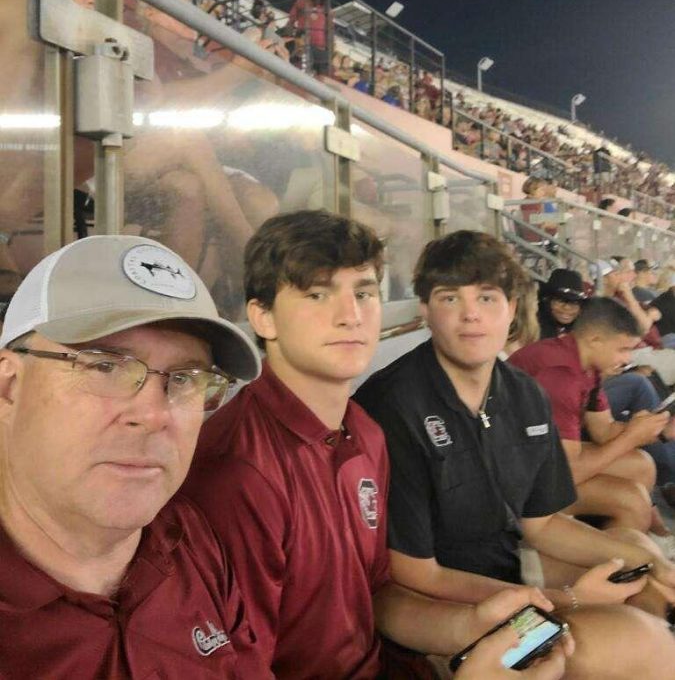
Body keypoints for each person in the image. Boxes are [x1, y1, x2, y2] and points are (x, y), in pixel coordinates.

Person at [183, 211, 571, 679]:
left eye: (364, 293)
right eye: (317, 294)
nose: (351, 316)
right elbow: (240, 666)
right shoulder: (236, 468)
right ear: (263, 316)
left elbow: (376, 593)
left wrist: (473, 623)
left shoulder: (364, 431)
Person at [356, 230, 675, 678]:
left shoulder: (523, 394)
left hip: (508, 564)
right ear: (426, 311)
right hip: (438, 605)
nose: (470, 315)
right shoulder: (391, 407)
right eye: (450, 299)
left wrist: (654, 563)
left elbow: (539, 523)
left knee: (643, 569)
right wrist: (573, 599)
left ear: (511, 308)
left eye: (487, 298)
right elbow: (415, 576)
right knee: (650, 644)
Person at [0, 234, 270, 678]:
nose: (153, 414)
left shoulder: (190, 541)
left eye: (186, 378)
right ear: (10, 387)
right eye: (104, 365)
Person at [509, 298, 675, 547]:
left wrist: (661, 431)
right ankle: (610, 566)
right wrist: (631, 437)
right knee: (632, 500)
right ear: (595, 340)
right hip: (511, 476)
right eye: (623, 349)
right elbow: (569, 472)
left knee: (641, 465)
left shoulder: (587, 364)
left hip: (540, 458)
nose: (627, 359)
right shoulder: (560, 375)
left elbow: (603, 430)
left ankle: (620, 546)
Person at [286, 0, 332, 76]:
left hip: (320, 48)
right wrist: (290, 38)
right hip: (304, 43)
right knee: (305, 62)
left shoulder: (327, 9)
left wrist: (329, 49)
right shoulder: (301, 2)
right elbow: (291, 21)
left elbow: (330, 31)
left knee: (325, 72)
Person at [537, 269, 588, 339]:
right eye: (560, 301)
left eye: (575, 302)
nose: (567, 307)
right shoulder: (532, 328)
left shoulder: (585, 331)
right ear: (547, 300)